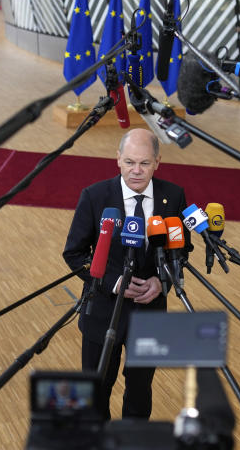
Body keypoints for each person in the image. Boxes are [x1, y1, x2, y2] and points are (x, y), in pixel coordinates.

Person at [62, 128, 188, 420]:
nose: (136, 171)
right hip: (103, 310)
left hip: (150, 312)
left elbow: (180, 250)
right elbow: (74, 253)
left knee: (141, 388)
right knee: (97, 388)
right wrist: (114, 282)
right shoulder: (94, 197)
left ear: (158, 161)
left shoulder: (174, 195)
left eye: (144, 163)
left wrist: (162, 280)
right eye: (129, 162)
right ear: (117, 159)